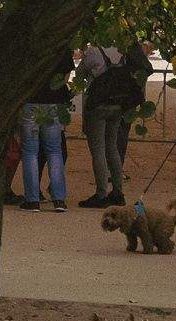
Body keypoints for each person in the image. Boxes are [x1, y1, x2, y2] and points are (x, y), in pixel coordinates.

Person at [77, 41, 144, 208]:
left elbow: (79, 74)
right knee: (112, 147)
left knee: (98, 149)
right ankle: (117, 191)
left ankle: (101, 193)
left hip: (98, 104)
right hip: (118, 103)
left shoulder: (93, 52)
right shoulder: (121, 49)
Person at [17, 67, 72, 213]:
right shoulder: (61, 48)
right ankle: (59, 199)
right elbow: (65, 77)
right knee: (54, 150)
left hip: (31, 99)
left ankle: (32, 199)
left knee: (30, 152)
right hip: (53, 100)